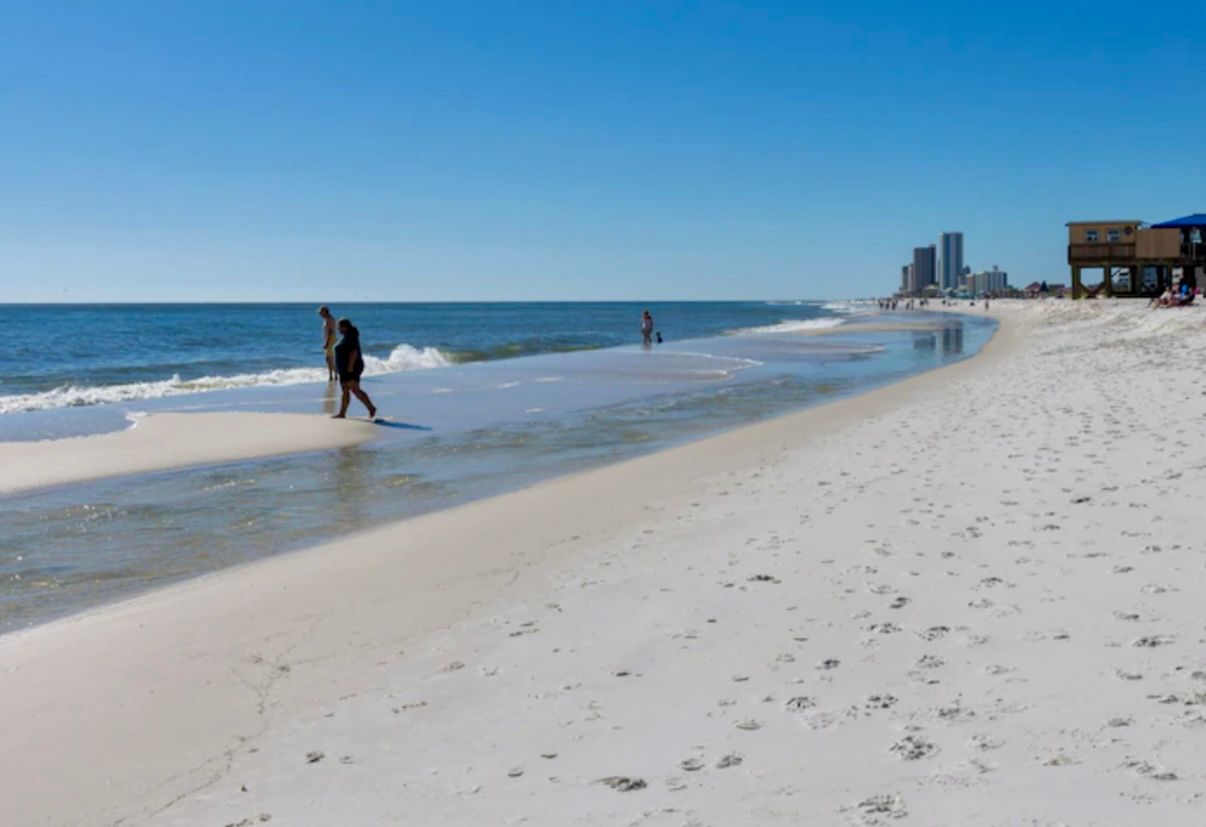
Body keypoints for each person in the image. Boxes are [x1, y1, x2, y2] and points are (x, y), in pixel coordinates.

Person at [332, 318, 377, 419]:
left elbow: (353, 352)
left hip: (351, 368)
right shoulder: (345, 337)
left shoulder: (351, 337)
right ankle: (342, 413)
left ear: (345, 327)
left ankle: (371, 408)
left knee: (355, 389)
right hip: (343, 369)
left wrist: (350, 367)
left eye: (339, 327)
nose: (338, 329)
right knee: (345, 390)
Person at [318, 306, 338, 381]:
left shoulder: (329, 320)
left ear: (325, 312)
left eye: (321, 312)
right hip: (332, 339)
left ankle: (332, 375)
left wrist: (327, 342)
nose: (320, 314)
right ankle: (334, 374)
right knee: (331, 358)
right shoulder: (329, 319)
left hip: (330, 340)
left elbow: (330, 332)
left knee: (329, 358)